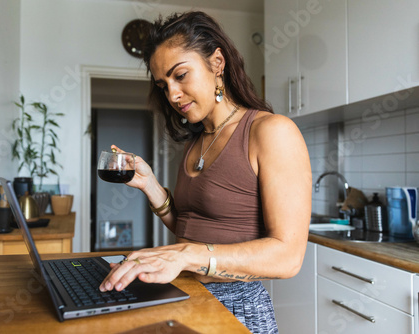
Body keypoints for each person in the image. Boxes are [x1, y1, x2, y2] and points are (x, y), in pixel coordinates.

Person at [99, 11, 312, 333]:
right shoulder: (198, 141)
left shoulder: (271, 131)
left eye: (180, 75)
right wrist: (151, 186)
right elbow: (191, 228)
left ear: (216, 63)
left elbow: (287, 258)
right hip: (186, 296)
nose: (172, 95)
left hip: (237, 307)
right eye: (163, 84)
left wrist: (184, 256)